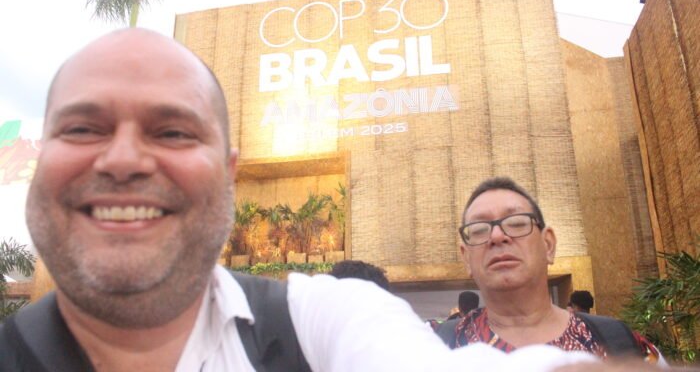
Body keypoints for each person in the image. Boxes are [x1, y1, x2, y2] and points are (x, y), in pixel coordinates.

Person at [0, 29, 602, 371]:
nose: (124, 159)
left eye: (173, 131)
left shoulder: (317, 325)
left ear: (229, 175)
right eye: (83, 128)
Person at [446, 176, 665, 365]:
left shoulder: (619, 345)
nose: (496, 236)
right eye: (479, 229)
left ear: (548, 245)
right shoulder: (439, 350)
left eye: (516, 223)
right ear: (467, 258)